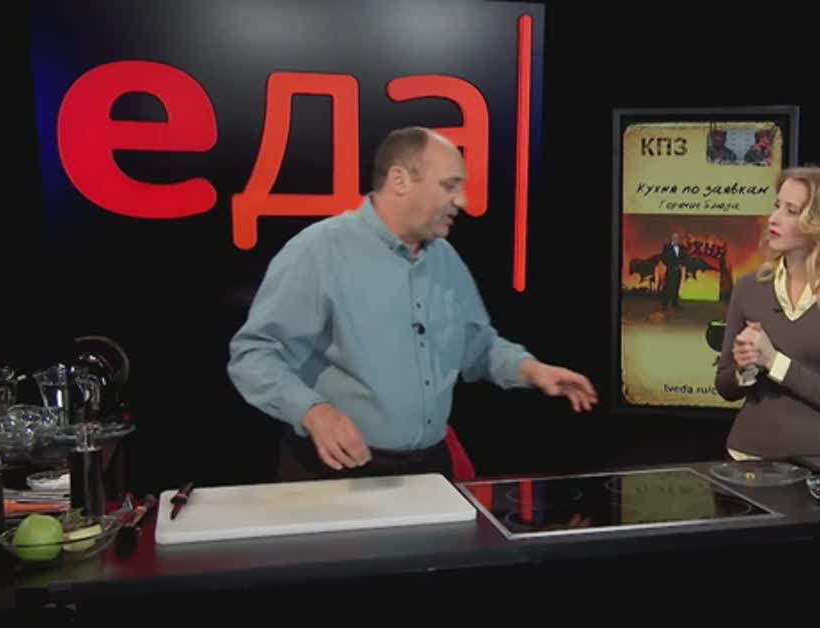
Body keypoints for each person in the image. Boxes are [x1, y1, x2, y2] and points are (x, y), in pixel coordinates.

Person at [228, 127, 598, 481]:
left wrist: (531, 370)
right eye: (449, 186)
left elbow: (476, 345)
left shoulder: (445, 259)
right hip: (335, 472)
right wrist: (313, 412)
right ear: (399, 180)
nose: (462, 201)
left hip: (428, 469)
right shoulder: (319, 251)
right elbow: (255, 355)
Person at [714, 165, 820, 460]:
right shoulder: (749, 288)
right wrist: (746, 367)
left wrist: (774, 361)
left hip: (819, 465)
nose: (774, 218)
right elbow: (725, 387)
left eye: (791, 210)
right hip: (746, 459)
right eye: (777, 206)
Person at [660, 231, 686, 311]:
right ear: (672, 238)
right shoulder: (667, 248)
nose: (676, 239)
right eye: (674, 237)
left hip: (678, 271)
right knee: (668, 288)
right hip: (670, 271)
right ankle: (665, 305)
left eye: (677, 238)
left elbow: (684, 257)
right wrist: (670, 265)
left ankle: (675, 304)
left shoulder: (681, 248)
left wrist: (682, 264)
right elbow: (663, 258)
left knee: (676, 288)